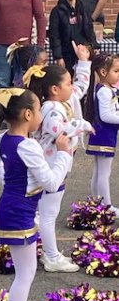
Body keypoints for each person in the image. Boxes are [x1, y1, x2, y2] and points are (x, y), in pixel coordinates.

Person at [0, 88, 72, 301]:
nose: (41, 118)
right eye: (38, 111)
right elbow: (51, 182)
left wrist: (14, 185)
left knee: (26, 271)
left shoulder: (5, 139)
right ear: (26, 114)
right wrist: (64, 154)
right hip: (18, 212)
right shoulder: (29, 145)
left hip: (14, 207)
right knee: (25, 273)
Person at [27, 45, 93, 273]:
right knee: (48, 215)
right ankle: (51, 256)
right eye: (67, 84)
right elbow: (57, 128)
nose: (72, 87)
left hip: (57, 166)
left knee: (46, 213)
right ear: (55, 89)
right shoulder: (51, 108)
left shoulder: (61, 101)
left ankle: (47, 250)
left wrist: (84, 62)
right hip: (52, 167)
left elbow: (80, 89)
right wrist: (82, 125)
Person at [85, 54, 119, 213]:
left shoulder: (107, 88)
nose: (118, 75)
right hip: (104, 134)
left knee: (99, 171)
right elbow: (106, 116)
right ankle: (106, 206)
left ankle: (96, 201)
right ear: (103, 72)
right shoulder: (104, 91)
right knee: (104, 172)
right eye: (116, 71)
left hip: (104, 133)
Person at [49, 0, 97, 76]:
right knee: (68, 78)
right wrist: (58, 57)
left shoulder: (83, 9)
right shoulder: (57, 11)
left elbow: (89, 28)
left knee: (84, 76)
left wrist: (94, 45)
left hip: (82, 50)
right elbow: (54, 35)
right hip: (66, 51)